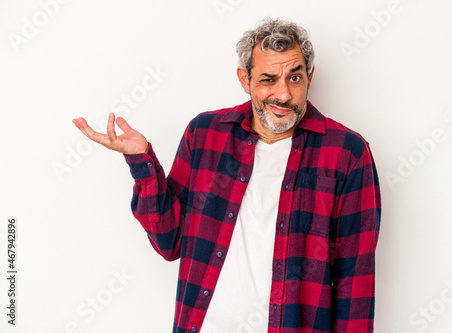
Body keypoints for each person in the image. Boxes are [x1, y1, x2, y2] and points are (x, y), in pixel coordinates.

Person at [73, 18, 381, 333]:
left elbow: (354, 280)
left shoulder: (348, 154)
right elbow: (170, 242)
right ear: (244, 79)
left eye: (295, 77)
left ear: (310, 77)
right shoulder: (205, 135)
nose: (284, 94)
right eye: (268, 79)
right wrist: (142, 163)